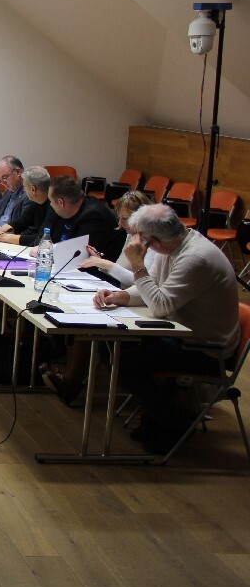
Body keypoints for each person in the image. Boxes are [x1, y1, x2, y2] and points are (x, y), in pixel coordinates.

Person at [91, 204, 240, 454]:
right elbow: (152, 289)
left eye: (140, 237)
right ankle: (157, 419)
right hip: (180, 335)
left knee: (124, 361)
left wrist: (137, 265)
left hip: (206, 350)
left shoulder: (195, 258)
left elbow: (160, 305)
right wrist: (120, 296)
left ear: (154, 241)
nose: (137, 241)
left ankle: (175, 423)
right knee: (112, 347)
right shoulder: (172, 246)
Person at [41, 190, 154, 404]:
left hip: (141, 303)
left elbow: (141, 281)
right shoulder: (130, 236)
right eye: (119, 218)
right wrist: (100, 261)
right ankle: (69, 375)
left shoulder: (151, 243)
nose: (120, 223)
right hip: (126, 295)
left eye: (125, 218)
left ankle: (71, 380)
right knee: (77, 314)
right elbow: (124, 272)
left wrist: (105, 265)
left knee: (88, 323)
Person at [0, 166, 52, 244]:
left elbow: (43, 239)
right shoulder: (35, 202)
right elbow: (20, 222)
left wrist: (3, 237)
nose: (24, 190)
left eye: (25, 187)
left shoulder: (54, 207)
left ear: (33, 189)